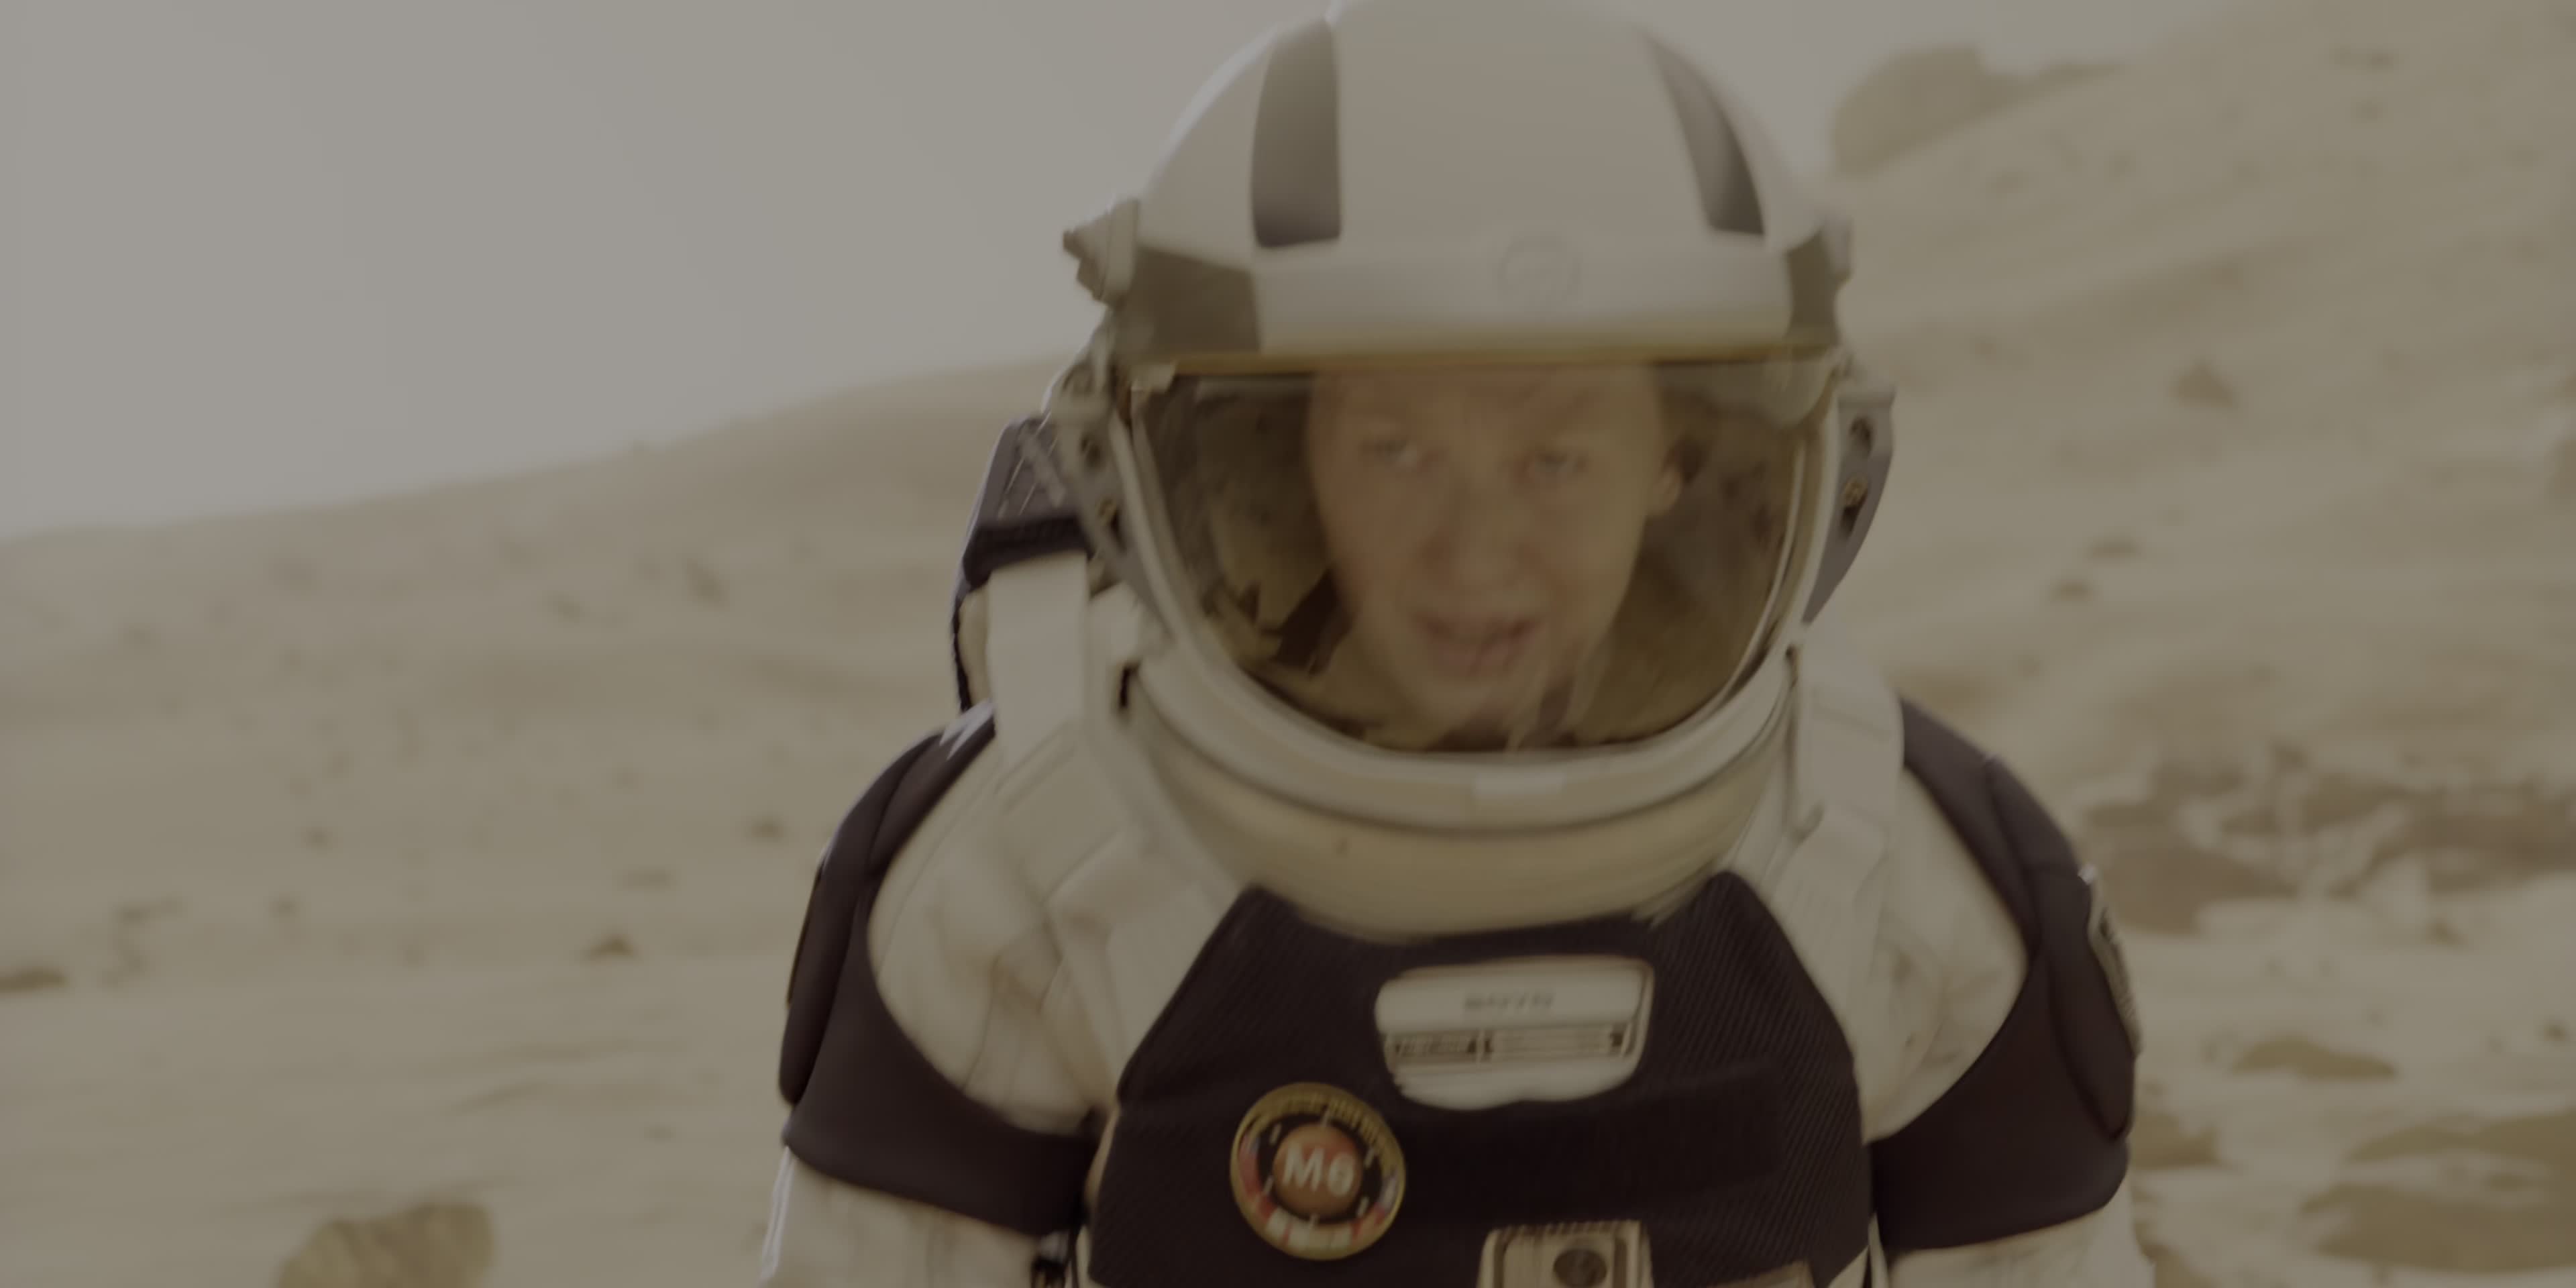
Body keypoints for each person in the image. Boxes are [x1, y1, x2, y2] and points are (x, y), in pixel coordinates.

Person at [762, 0, 2153, 1284]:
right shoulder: (1021, 880)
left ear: (1680, 463)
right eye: (1398, 451)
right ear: (1275, 464)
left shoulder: (1913, 883)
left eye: (1557, 460)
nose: (1477, 554)